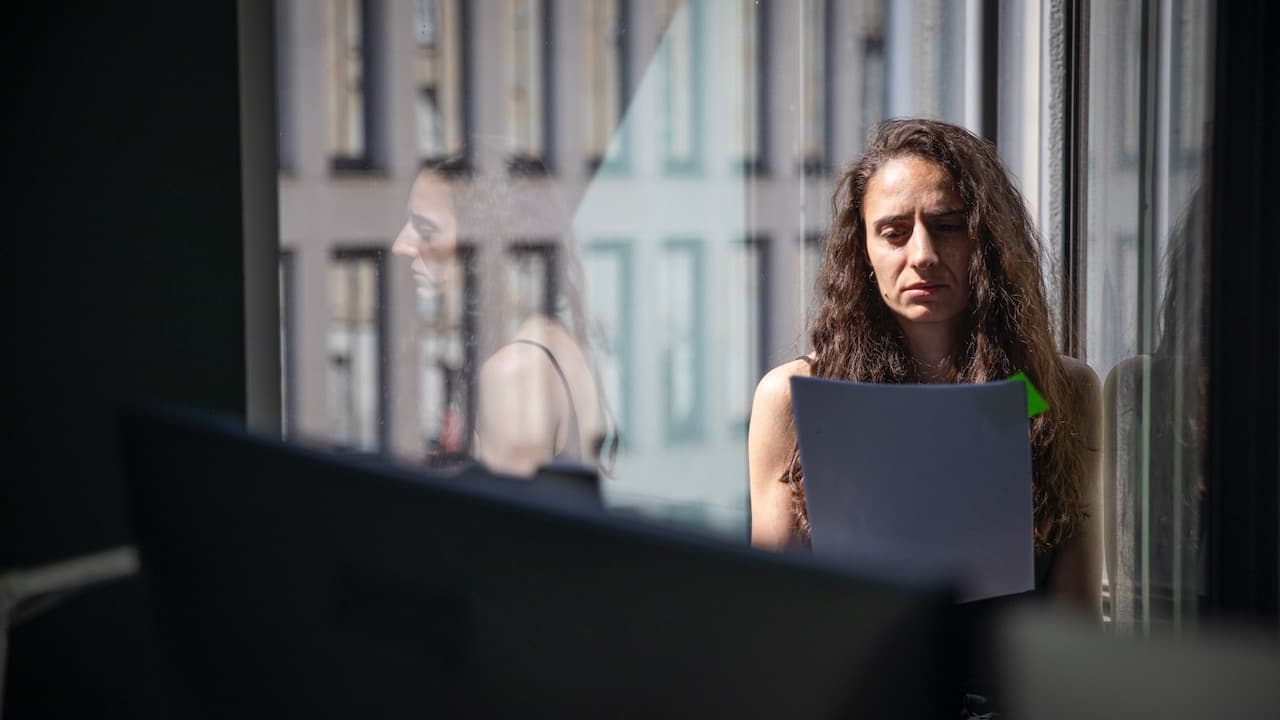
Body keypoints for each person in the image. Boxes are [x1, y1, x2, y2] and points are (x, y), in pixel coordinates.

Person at [747, 118, 1102, 616]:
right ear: (862, 250)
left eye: (948, 226)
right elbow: (775, 616)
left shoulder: (1058, 389)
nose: (923, 255)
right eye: (894, 232)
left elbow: (1075, 624)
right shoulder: (792, 399)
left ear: (988, 239)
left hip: (1008, 687)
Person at [392, 153, 615, 479]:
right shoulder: (549, 337)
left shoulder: (512, 374)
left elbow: (503, 524)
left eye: (425, 227)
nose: (401, 244)